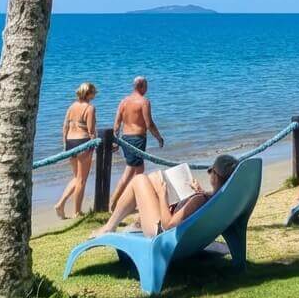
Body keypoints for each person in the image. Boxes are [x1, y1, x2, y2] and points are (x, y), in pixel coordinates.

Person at [94, 154, 237, 238]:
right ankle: (136, 221)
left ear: (216, 178)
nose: (210, 174)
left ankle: (110, 226)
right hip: (188, 237)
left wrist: (163, 197)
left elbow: (168, 226)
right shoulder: (222, 199)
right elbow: (204, 202)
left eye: (211, 171)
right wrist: (199, 191)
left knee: (139, 180)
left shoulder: (200, 200)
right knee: (155, 178)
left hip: (162, 234)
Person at [110, 76, 165, 210]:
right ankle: (114, 203)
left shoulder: (123, 101)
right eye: (146, 86)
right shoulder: (143, 102)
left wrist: (116, 141)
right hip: (137, 140)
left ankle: (133, 202)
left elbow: (117, 124)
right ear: (141, 86)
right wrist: (159, 137)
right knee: (131, 173)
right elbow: (149, 123)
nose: (147, 89)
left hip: (125, 139)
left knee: (137, 172)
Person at [55, 82, 98, 220]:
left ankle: (60, 204)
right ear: (88, 93)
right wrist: (95, 145)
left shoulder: (71, 106)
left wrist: (65, 144)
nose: (95, 94)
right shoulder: (89, 108)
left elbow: (65, 126)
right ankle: (77, 212)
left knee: (76, 177)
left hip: (70, 142)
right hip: (82, 142)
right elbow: (91, 131)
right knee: (81, 180)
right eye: (94, 92)